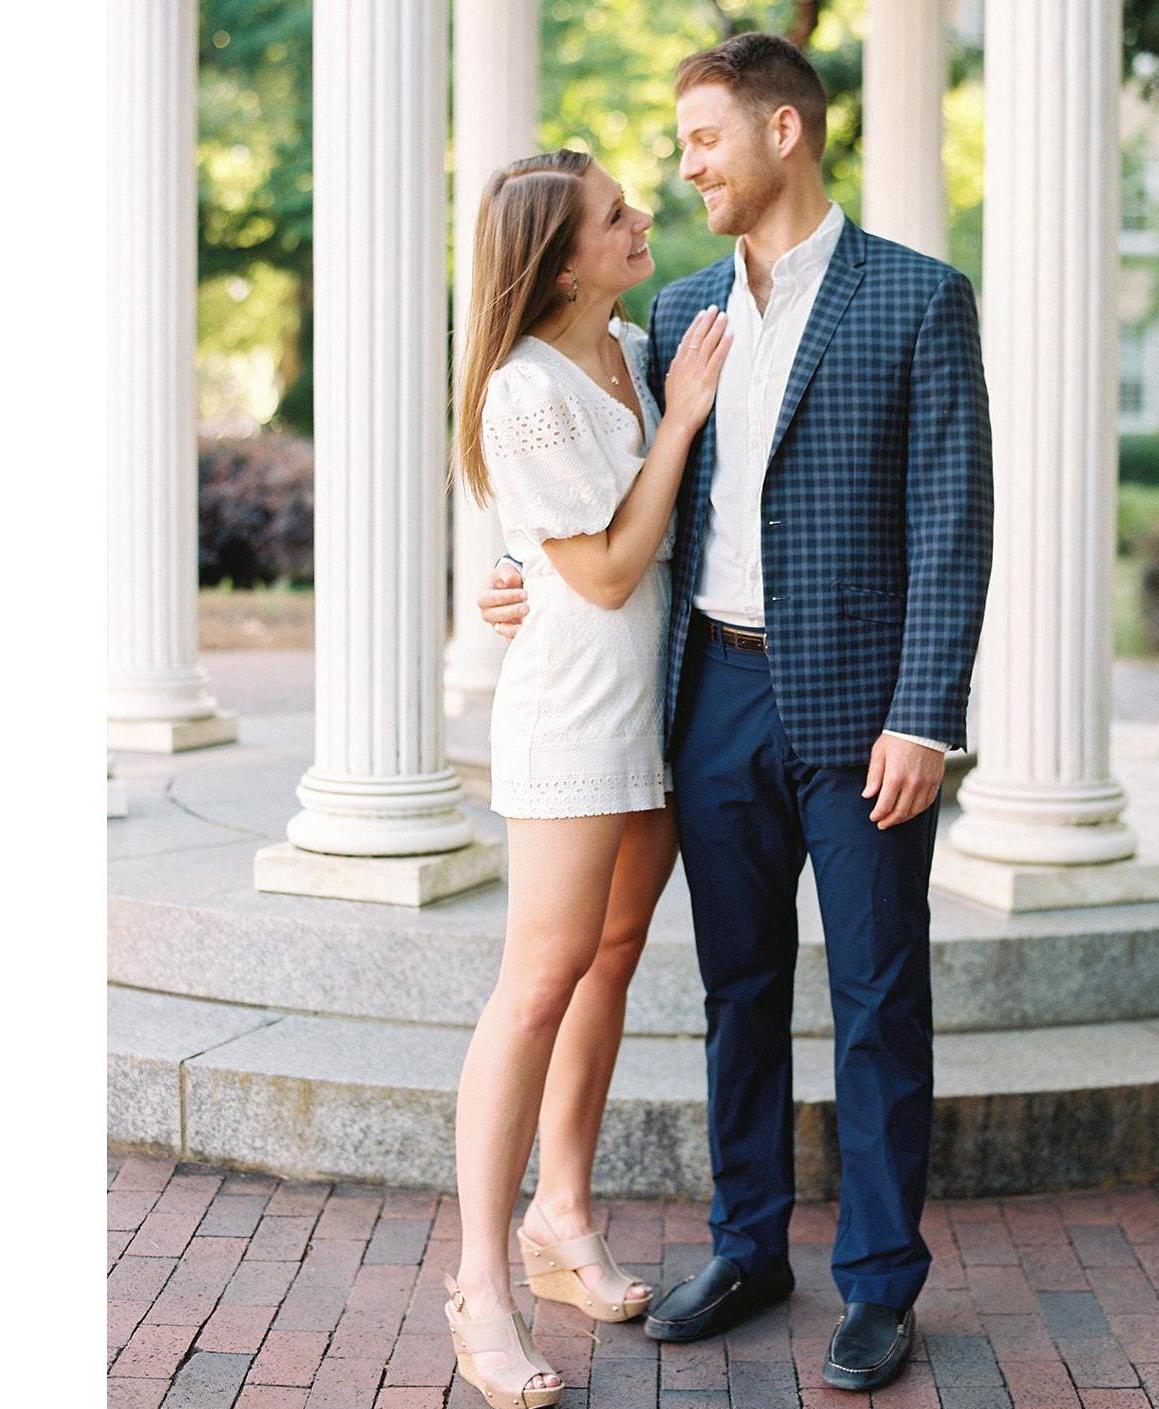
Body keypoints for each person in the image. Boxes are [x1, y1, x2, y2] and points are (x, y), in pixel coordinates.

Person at [482, 32, 993, 1396]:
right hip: (709, 694)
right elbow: (597, 487)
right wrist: (518, 577)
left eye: (703, 138)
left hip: (864, 711)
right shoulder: (677, 320)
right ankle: (749, 1243)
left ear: (783, 132)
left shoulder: (916, 299)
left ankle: (880, 1284)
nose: (684, 166)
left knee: (882, 995)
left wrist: (924, 715)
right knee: (737, 990)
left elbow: (952, 525)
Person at [444, 147, 731, 1409]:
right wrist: (680, 422)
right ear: (561, 259)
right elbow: (606, 571)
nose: (641, 217)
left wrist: (668, 405)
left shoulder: (641, 332)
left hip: (653, 705)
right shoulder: (523, 389)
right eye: (616, 215)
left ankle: (560, 1219)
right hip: (569, 713)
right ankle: (478, 1282)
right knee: (534, 983)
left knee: (610, 958)